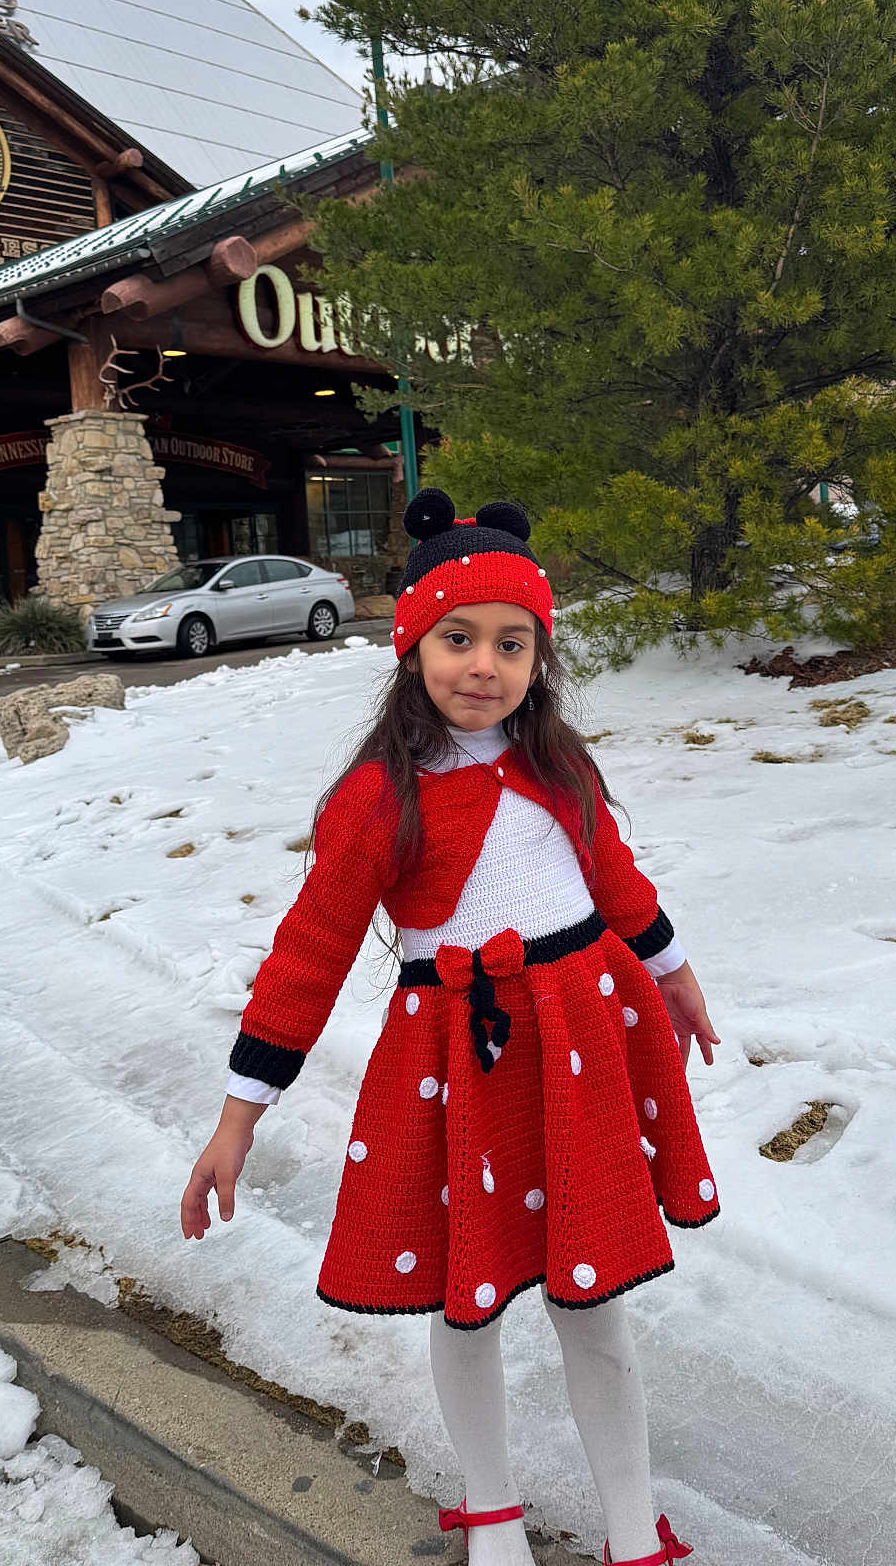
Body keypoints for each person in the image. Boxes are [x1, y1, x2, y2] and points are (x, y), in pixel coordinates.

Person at [181, 491, 721, 1566]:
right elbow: (309, 957)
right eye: (458, 639)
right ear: (412, 648)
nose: (484, 665)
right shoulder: (384, 799)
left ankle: (629, 1521)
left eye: (511, 644)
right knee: (467, 1302)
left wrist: (674, 972)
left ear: (539, 657)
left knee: (593, 1296)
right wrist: (239, 1116)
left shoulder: (560, 769)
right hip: (460, 1068)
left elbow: (616, 880)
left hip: (575, 1056)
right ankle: (493, 1516)